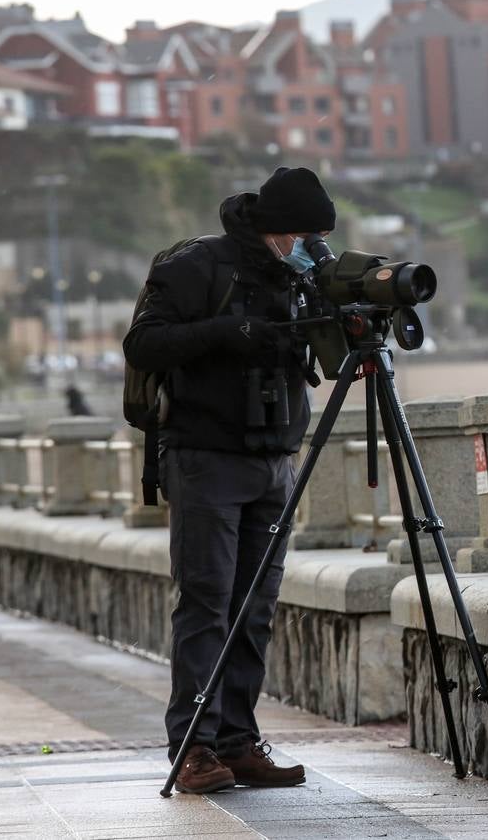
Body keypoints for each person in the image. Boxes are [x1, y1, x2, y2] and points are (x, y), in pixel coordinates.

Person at [123, 166, 335, 794]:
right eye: (303, 236)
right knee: (207, 603)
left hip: (275, 460)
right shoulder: (198, 266)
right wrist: (225, 332)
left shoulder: (301, 278)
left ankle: (239, 743)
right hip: (206, 458)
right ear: (274, 229)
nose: (310, 248)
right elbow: (144, 345)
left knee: (257, 609)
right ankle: (193, 749)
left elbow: (322, 355)